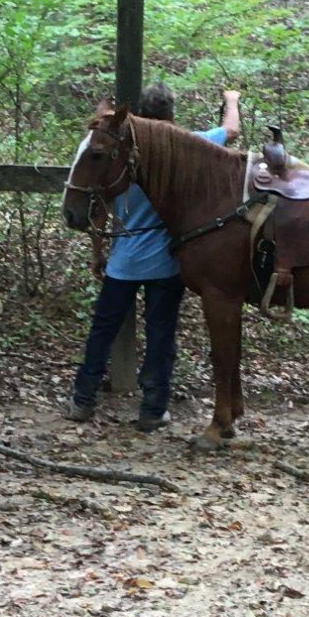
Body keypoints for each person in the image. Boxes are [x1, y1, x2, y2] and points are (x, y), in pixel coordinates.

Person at [68, 84, 242, 431]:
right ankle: (152, 407)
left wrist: (98, 253)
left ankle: (82, 398)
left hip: (123, 262)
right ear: (172, 114)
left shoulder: (119, 149)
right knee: (161, 334)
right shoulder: (185, 145)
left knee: (103, 329)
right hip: (167, 262)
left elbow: (100, 209)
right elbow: (232, 130)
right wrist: (232, 100)